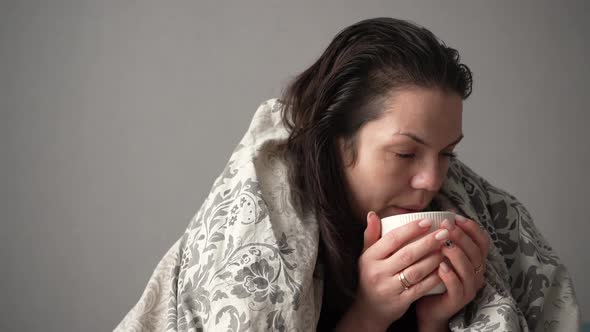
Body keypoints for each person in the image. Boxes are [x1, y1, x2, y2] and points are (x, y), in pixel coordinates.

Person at [116, 17, 579, 331]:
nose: (432, 181)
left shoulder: (453, 210)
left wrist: (437, 321)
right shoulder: (267, 227)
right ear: (336, 142)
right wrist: (371, 313)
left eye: (447, 155)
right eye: (405, 153)